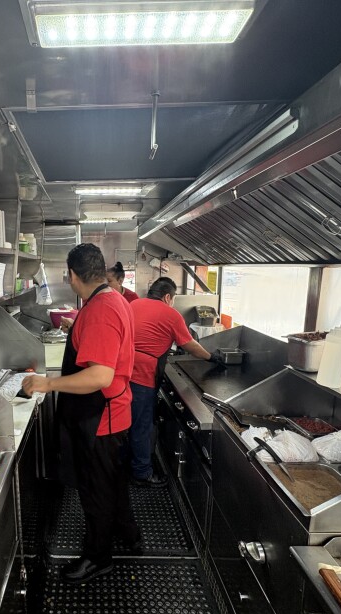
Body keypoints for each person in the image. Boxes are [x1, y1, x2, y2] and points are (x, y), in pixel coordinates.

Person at [23, 243, 140, 583]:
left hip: (101, 418)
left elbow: (99, 376)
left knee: (96, 492)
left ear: (72, 275)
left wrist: (47, 383)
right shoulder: (112, 299)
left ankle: (98, 558)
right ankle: (129, 536)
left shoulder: (100, 310)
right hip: (115, 413)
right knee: (114, 485)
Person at [129, 277, 213, 487]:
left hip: (123, 370)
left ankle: (127, 463)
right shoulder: (171, 314)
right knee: (141, 425)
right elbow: (189, 344)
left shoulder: (133, 304)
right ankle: (141, 473)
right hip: (143, 375)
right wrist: (212, 358)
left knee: (127, 422)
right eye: (173, 298)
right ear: (167, 296)